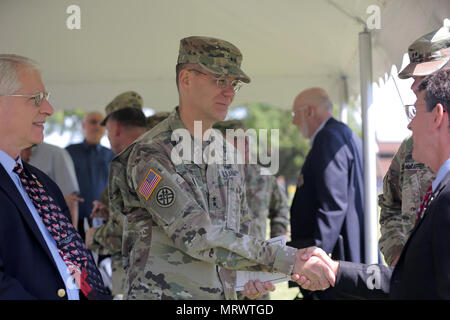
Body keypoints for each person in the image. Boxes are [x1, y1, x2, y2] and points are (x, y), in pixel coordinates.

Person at [108, 36, 333, 300]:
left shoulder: (226, 152)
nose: (229, 92)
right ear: (186, 80)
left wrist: (252, 278)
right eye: (219, 80)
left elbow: (240, 230)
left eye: (233, 84)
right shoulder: (151, 153)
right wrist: (287, 259)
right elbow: (197, 234)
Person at [296, 69, 450, 299]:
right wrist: (336, 271)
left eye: (414, 111)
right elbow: (405, 281)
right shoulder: (441, 190)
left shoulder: (447, 200)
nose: (409, 125)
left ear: (437, 115)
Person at [0, 54, 109, 299]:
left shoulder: (42, 184)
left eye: (46, 98)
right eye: (35, 98)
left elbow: (74, 261)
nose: (48, 109)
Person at [379, 24, 450, 266]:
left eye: (424, 77)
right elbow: (389, 207)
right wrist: (399, 255)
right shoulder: (411, 147)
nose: (413, 85)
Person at [289, 87, 369, 299]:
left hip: (333, 263)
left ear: (309, 112)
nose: (293, 122)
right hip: (344, 257)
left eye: (295, 114)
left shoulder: (328, 138)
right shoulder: (343, 134)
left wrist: (313, 259)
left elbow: (333, 205)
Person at [86, 91, 168, 298]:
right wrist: (112, 213)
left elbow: (130, 230)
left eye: (108, 132)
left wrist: (92, 237)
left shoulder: (130, 162)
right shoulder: (161, 154)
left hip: (143, 278)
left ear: (116, 127)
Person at [213, 119, 290, 300]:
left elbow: (280, 208)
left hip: (257, 270)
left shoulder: (262, 175)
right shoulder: (209, 178)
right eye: (238, 139)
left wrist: (276, 246)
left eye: (248, 139)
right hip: (221, 274)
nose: (247, 144)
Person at [66, 111, 115, 240]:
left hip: (106, 221)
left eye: (102, 124)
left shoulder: (112, 155)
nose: (97, 126)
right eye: (93, 122)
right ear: (83, 126)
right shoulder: (69, 152)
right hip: (75, 221)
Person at [24, 142, 83, 228]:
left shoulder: (56, 154)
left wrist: (72, 238)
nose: (30, 153)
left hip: (53, 231)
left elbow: (71, 202)